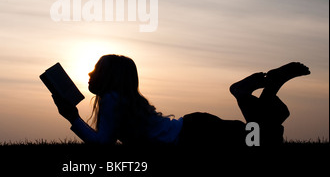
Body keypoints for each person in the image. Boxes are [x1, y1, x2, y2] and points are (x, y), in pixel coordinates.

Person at [52, 55, 310, 146]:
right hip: (196, 129)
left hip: (195, 135)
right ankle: (247, 92)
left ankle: (255, 90)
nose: (88, 73)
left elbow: (103, 144)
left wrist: (72, 117)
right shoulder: (120, 100)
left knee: (261, 141)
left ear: (108, 78)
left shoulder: (112, 100)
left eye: (95, 69)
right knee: (259, 138)